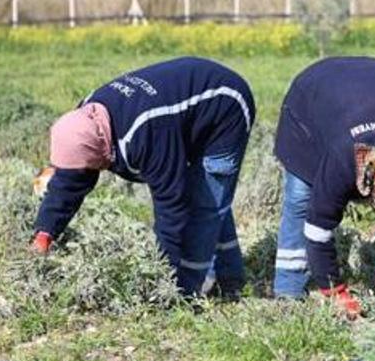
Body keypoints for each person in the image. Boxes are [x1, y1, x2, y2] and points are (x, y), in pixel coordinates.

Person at [32, 57, 255, 297]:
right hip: (183, 110)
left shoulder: (145, 133)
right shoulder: (84, 120)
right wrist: (45, 232)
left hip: (225, 105)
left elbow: (171, 205)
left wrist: (164, 276)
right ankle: (231, 277)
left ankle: (189, 292)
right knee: (207, 196)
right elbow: (69, 181)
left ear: (99, 149)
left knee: (205, 205)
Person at [272, 56, 375, 317]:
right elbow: (318, 231)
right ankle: (288, 292)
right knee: (301, 198)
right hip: (311, 98)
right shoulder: (341, 161)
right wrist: (334, 290)